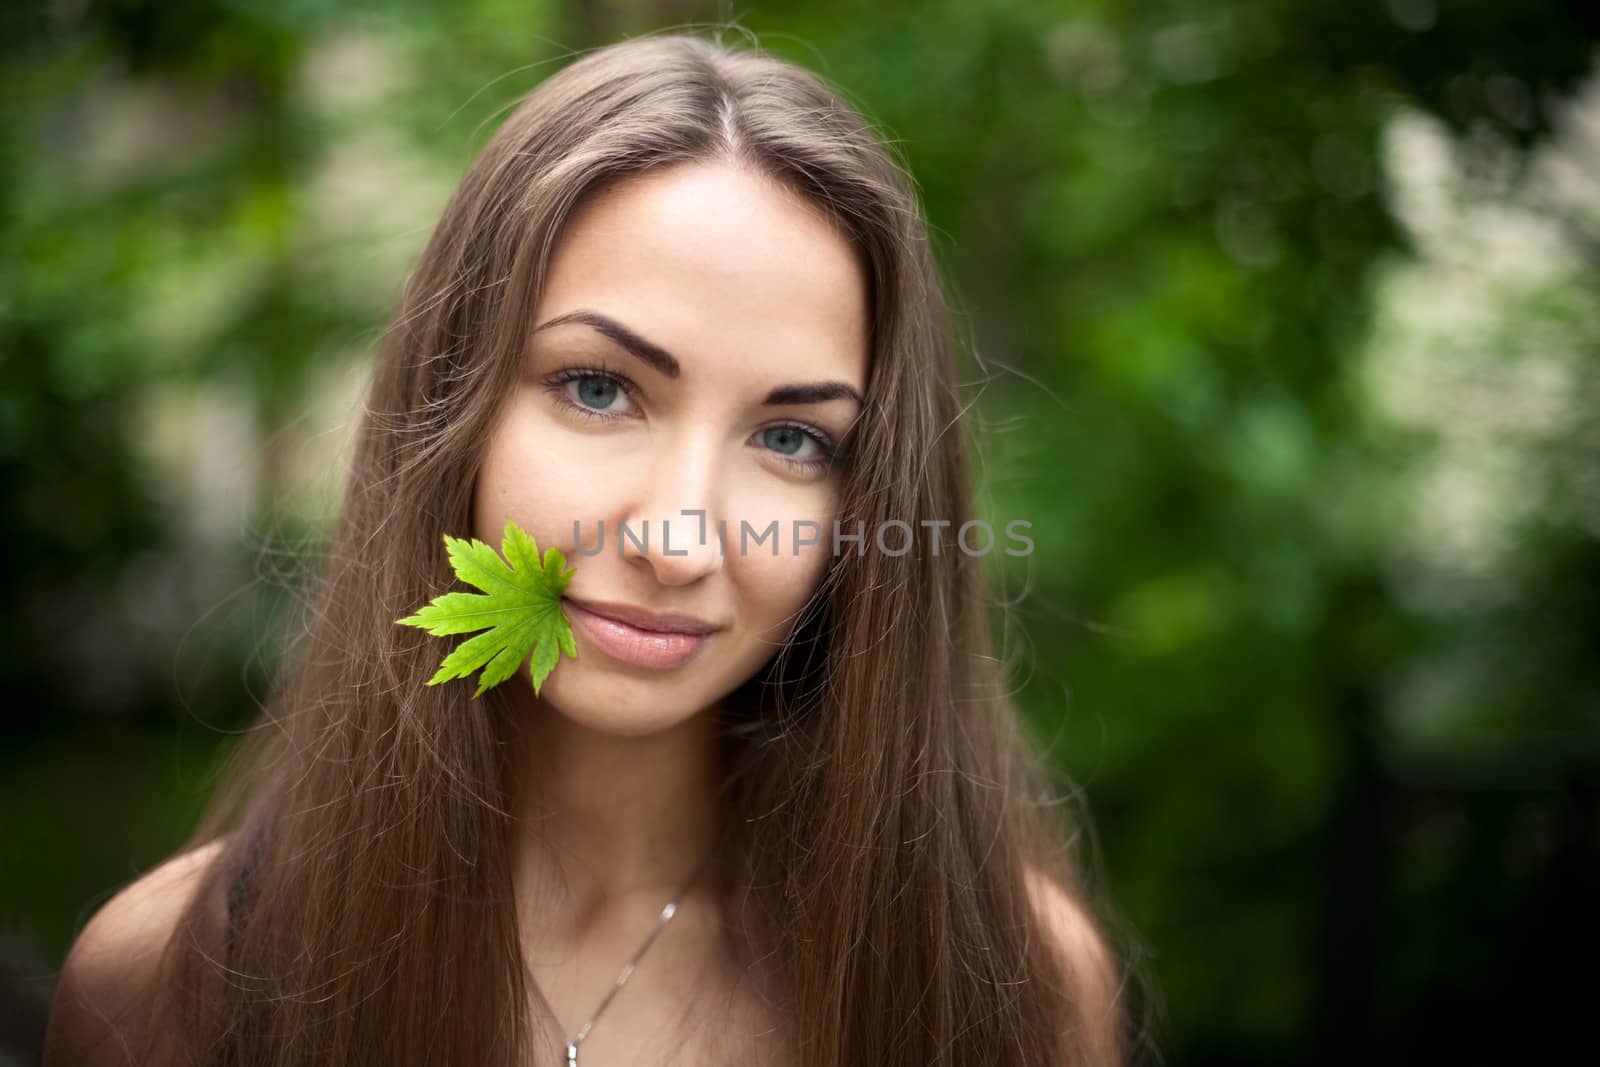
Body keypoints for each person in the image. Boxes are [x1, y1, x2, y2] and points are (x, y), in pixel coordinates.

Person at [44, 29, 1130, 1067]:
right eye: (599, 388)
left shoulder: (1010, 984)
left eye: (792, 437)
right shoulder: (173, 982)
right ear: (448, 407)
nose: (676, 538)